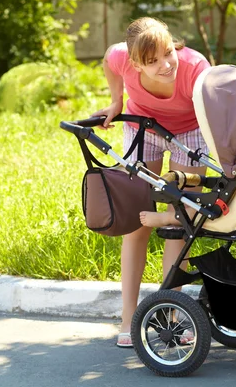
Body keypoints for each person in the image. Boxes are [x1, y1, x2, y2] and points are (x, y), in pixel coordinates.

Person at [90, 17, 211, 348]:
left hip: (190, 133)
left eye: (168, 52)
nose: (165, 64)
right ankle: (129, 317)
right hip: (144, 129)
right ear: (135, 63)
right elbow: (109, 62)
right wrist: (117, 100)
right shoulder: (120, 57)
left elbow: (216, 110)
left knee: (179, 220)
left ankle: (172, 314)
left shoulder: (195, 67)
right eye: (152, 61)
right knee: (136, 223)